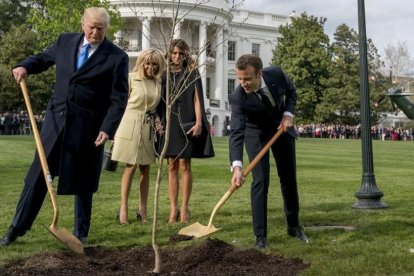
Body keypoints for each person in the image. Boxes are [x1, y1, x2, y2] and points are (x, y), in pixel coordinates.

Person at [0, 7, 129, 246]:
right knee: (38, 176)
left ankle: (80, 233)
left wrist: (107, 128)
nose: (95, 32)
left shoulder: (117, 57)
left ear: (107, 29)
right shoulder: (65, 41)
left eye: (101, 28)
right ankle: (16, 228)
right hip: (55, 123)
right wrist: (24, 66)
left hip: (88, 128)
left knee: (83, 181)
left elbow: (119, 98)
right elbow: (42, 58)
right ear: (83, 24)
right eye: (92, 27)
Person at [229, 54, 308, 249]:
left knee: (288, 178)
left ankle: (294, 226)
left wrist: (288, 114)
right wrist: (237, 166)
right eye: (239, 78)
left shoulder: (276, 74)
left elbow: (291, 92)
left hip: (282, 129)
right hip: (255, 134)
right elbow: (237, 132)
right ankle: (261, 236)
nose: (243, 83)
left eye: (247, 78)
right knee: (261, 181)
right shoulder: (238, 98)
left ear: (260, 73)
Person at [157, 39, 214, 223]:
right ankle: (173, 209)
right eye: (174, 53)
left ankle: (184, 209)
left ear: (186, 54)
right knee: (171, 165)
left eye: (181, 53)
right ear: (169, 53)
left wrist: (198, 123)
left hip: (187, 121)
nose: (177, 56)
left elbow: (197, 100)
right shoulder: (164, 75)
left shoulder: (192, 73)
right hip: (169, 122)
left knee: (184, 165)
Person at [111, 48, 164, 224]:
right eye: (147, 63)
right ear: (141, 63)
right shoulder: (131, 78)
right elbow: (119, 103)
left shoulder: (159, 83)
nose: (151, 67)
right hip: (129, 124)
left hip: (148, 127)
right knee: (130, 166)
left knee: (146, 168)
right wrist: (112, 128)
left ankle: (143, 209)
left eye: (154, 64)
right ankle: (123, 208)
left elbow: (154, 108)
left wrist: (157, 122)